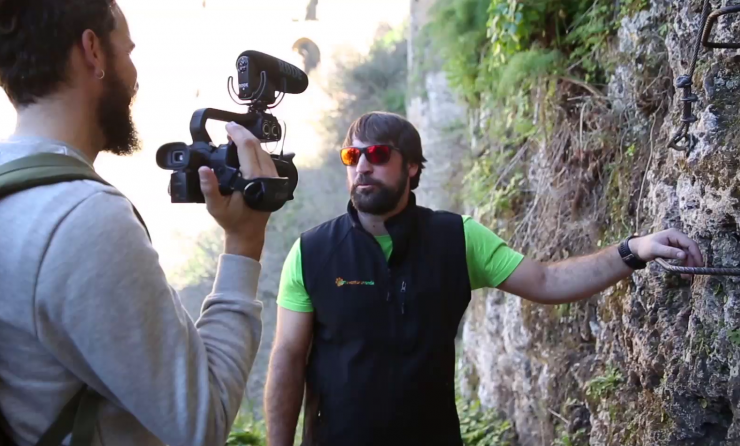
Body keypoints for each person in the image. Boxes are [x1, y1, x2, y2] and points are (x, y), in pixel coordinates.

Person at [0, 0, 278, 444]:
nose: (134, 73)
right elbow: (203, 423)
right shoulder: (82, 218)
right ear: (93, 51)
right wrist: (244, 245)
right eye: (127, 50)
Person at [264, 111, 705, 446]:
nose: (362, 166)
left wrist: (634, 250)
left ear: (412, 167)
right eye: (352, 155)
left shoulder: (456, 238)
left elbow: (548, 282)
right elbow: (287, 357)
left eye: (377, 155)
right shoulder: (311, 252)